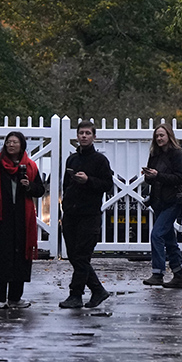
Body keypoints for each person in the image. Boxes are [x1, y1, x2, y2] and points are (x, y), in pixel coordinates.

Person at [0, 131, 46, 308]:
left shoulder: (30, 167)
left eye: (15, 142)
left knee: (20, 258)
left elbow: (40, 190)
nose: (11, 145)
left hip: (22, 220)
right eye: (8, 142)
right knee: (1, 258)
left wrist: (29, 186)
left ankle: (15, 298)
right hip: (1, 219)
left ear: (22, 145)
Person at [59, 120, 114, 309]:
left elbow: (108, 185)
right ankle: (98, 291)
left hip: (89, 215)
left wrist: (88, 180)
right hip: (70, 214)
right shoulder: (72, 159)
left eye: (87, 133)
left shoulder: (100, 160)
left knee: (82, 256)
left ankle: (75, 294)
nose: (84, 136)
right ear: (77, 136)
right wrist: (65, 204)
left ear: (94, 136)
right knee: (74, 256)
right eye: (81, 133)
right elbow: (66, 184)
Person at [141, 120, 182, 289]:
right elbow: (151, 179)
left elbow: (179, 178)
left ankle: (158, 273)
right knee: (169, 239)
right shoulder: (154, 154)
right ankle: (178, 275)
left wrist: (158, 175)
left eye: (162, 135)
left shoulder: (177, 153)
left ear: (169, 135)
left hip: (172, 201)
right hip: (158, 202)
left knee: (156, 234)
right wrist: (148, 176)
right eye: (157, 136)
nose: (159, 138)